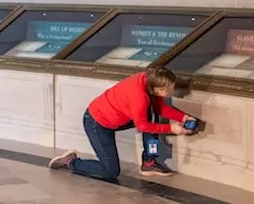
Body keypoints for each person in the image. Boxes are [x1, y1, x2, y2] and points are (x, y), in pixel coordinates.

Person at [49, 66, 201, 181]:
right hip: (97, 123)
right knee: (111, 171)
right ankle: (71, 162)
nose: (173, 91)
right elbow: (142, 126)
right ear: (158, 89)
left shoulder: (149, 81)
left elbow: (159, 108)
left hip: (117, 118)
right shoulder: (139, 96)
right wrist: (173, 129)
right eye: (171, 89)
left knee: (149, 116)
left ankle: (149, 162)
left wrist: (183, 118)